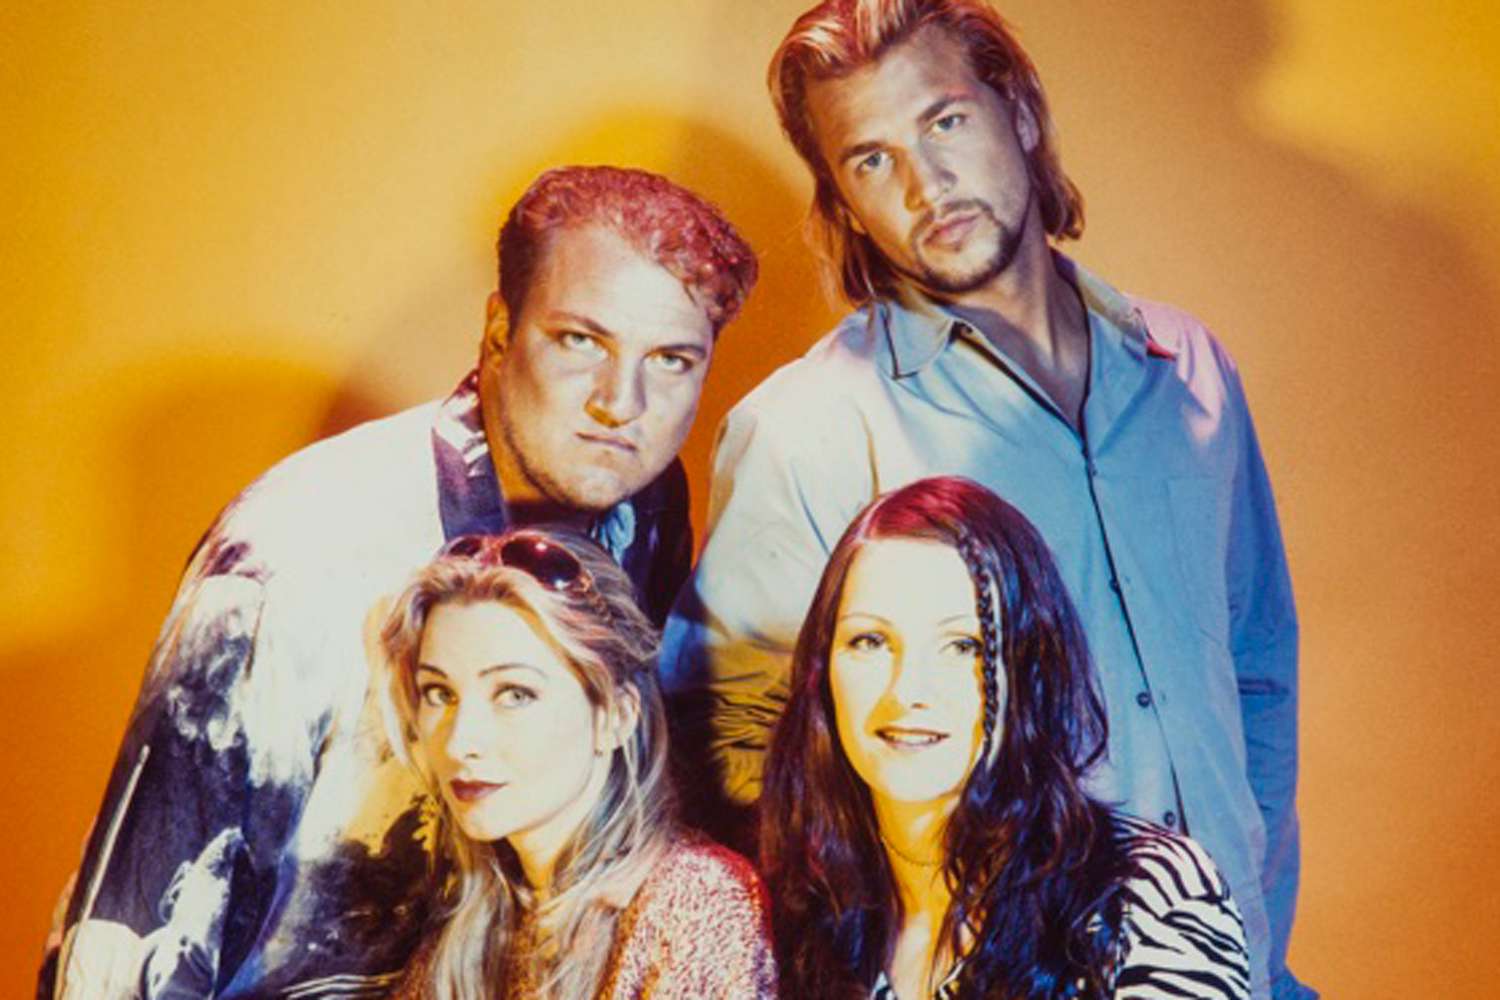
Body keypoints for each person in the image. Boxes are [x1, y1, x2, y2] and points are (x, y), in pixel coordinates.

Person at [662, 3, 1309, 997]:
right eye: (870, 160)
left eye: (946, 121)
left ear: (1020, 111)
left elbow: (1257, 670)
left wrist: (1242, 931)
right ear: (843, 202)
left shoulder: (1189, 371)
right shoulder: (806, 429)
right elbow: (730, 754)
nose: (925, 185)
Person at [44, 165, 757, 997]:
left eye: (670, 360)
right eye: (580, 342)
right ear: (500, 330)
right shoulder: (293, 555)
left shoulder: (643, 507)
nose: (620, 403)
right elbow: (123, 938)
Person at [761, 476, 1249, 999]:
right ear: (823, 669)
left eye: (964, 645)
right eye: (871, 641)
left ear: (1030, 667)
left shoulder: (1149, 899)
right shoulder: (789, 915)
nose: (908, 690)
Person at [378, 528, 776, 999]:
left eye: (514, 694)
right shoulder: (482, 909)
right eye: (439, 693)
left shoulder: (694, 901)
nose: (460, 741)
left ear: (616, 715)